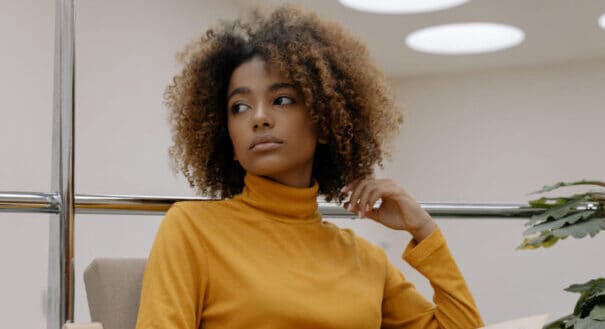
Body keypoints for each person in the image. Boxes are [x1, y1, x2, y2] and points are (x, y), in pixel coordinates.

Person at [135, 5, 483, 329]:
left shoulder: (365, 259)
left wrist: (423, 230)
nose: (258, 118)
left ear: (325, 118)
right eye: (239, 107)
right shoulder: (192, 230)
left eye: (281, 100)